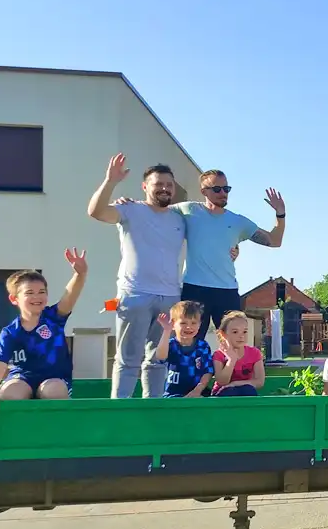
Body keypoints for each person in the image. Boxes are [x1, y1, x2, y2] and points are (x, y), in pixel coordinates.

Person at [91, 156, 239, 398]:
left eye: (169, 185)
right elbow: (96, 212)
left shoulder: (179, 217)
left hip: (170, 298)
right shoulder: (129, 209)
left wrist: (232, 250)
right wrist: (110, 181)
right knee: (128, 359)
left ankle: (154, 410)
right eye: (158, 183)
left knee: (158, 360)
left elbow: (210, 237)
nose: (164, 188)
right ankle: (119, 413)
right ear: (145, 187)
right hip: (135, 294)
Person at [175, 169, 286, 340]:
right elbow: (156, 211)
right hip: (194, 289)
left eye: (226, 189)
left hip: (226, 291)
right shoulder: (189, 210)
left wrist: (280, 214)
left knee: (235, 343)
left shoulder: (237, 221)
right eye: (217, 189)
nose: (223, 193)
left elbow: (274, 241)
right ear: (204, 191)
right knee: (189, 343)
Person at [0, 249, 89, 413]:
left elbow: (70, 296)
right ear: (14, 299)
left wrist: (80, 275)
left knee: (53, 392)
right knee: (10, 393)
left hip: (55, 379)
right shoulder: (11, 333)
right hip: (22, 379)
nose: (37, 297)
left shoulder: (54, 318)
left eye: (42, 292)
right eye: (29, 293)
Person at [152, 301, 214, 398]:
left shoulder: (203, 346)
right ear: (173, 324)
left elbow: (208, 371)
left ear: (199, 324)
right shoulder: (171, 345)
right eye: (183, 323)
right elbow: (160, 357)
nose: (189, 327)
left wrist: (197, 391)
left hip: (198, 391)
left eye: (193, 323)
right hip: (174, 392)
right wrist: (167, 331)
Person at [211, 311, 265, 396]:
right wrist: (231, 360)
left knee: (248, 390)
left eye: (245, 332)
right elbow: (222, 382)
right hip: (222, 393)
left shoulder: (255, 353)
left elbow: (259, 382)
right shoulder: (218, 355)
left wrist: (236, 383)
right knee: (230, 392)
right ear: (223, 334)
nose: (241, 336)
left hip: (245, 391)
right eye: (235, 332)